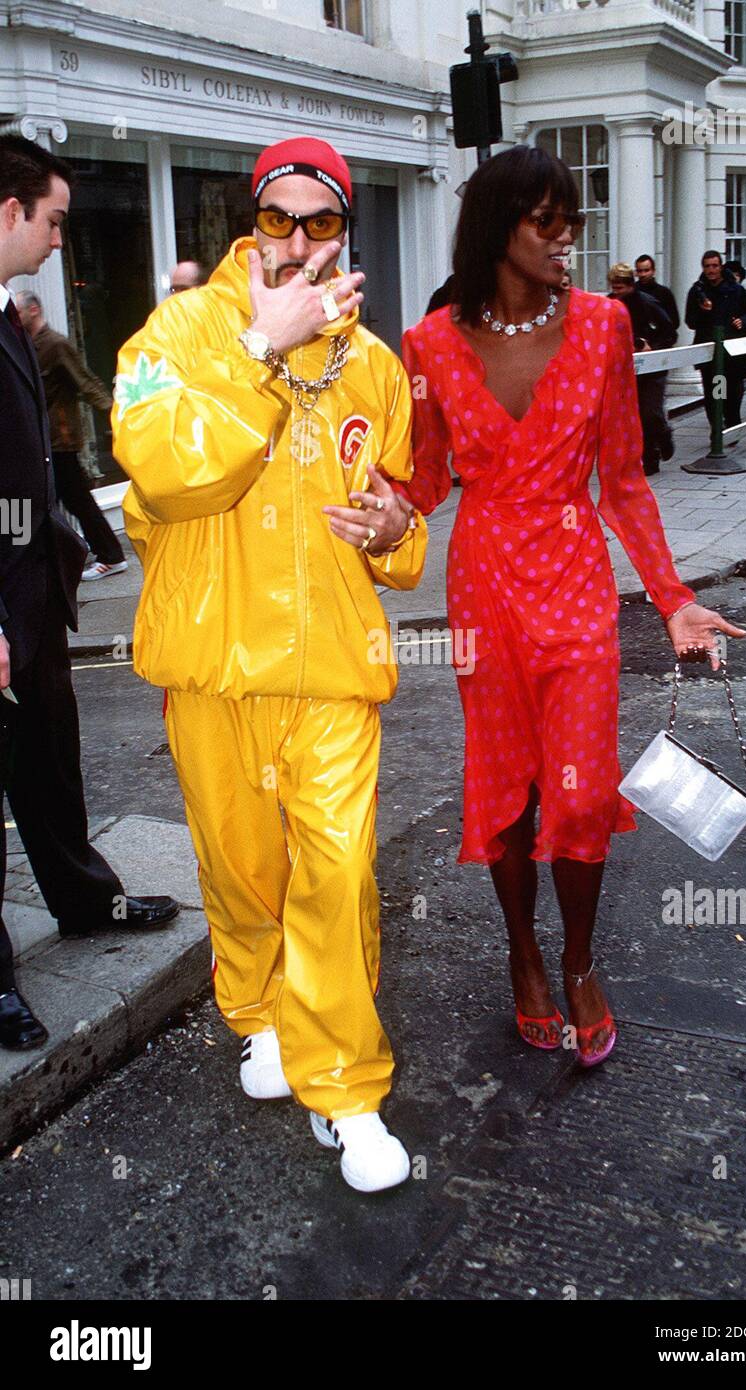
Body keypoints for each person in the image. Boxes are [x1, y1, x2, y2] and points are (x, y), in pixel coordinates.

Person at [112, 136, 427, 1194]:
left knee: (337, 876)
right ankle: (258, 1014)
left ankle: (347, 1083)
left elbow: (405, 529)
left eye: (321, 222)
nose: (298, 242)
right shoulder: (177, 333)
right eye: (278, 220)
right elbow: (163, 467)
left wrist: (395, 527)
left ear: (346, 231)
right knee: (242, 872)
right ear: (249, 224)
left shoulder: (376, 365)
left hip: (333, 669)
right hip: (211, 663)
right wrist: (258, 344)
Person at [402, 146, 746, 1066]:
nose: (565, 239)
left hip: (573, 578)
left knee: (583, 789)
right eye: (545, 221)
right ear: (496, 228)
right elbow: (426, 474)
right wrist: (384, 508)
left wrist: (672, 599)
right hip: (481, 584)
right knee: (506, 791)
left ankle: (581, 961)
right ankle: (523, 957)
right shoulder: (430, 343)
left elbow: (625, 482)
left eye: (573, 222)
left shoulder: (601, 327)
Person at [0, 135, 179, 1051]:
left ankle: (85, 902)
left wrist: (53, 549)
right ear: (10, 211)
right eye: (55, 220)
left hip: (31, 593)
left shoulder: (12, 320)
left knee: (50, 764)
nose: (63, 240)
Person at [15, 291, 127, 581]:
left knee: (75, 500)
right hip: (40, 440)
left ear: (34, 310)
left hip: (59, 441)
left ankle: (110, 555)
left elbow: (86, 383)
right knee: (54, 501)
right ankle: (70, 555)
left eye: (18, 311)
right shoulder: (26, 344)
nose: (14, 316)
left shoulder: (54, 344)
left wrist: (118, 417)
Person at [607, 262, 676, 475]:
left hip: (652, 368)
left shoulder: (647, 303)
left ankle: (663, 435)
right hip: (624, 369)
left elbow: (670, 333)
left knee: (650, 412)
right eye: (614, 287)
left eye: (620, 288)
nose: (617, 293)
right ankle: (648, 459)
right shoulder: (609, 304)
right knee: (632, 416)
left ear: (630, 285)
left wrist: (650, 347)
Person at [684, 250, 746, 430]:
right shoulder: (697, 291)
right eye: (707, 266)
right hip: (710, 351)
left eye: (714, 266)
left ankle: (732, 423)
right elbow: (690, 322)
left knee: (732, 392)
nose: (711, 270)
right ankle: (717, 429)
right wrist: (703, 310)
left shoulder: (736, 289)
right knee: (714, 393)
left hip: (733, 351)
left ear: (721, 267)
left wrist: (743, 320)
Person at [634, 254, 680, 335]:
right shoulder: (632, 292)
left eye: (646, 270)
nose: (643, 274)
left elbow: (674, 322)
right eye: (640, 271)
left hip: (661, 340)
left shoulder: (664, 293)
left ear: (653, 271)